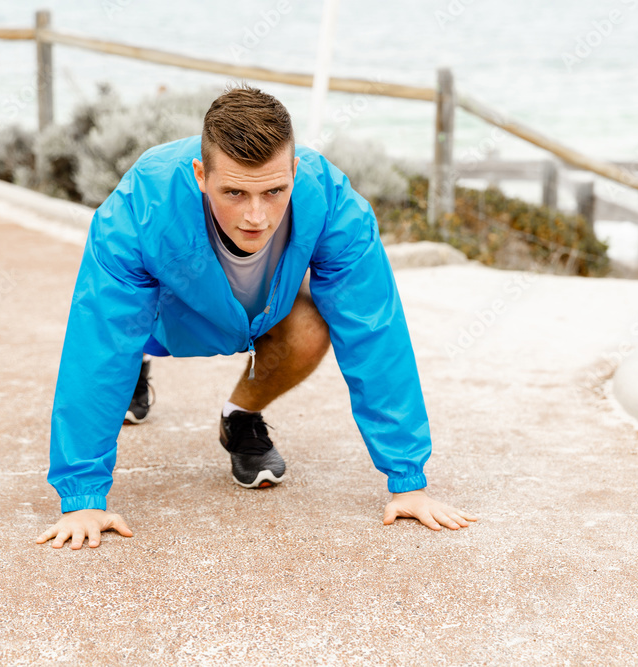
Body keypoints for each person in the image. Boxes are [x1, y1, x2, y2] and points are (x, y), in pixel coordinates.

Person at [36, 85, 476, 549]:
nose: (256, 216)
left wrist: (408, 481)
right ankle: (138, 371)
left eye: (274, 191)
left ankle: (240, 417)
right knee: (120, 349)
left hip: (263, 316)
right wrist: (83, 498)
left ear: (295, 172)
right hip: (162, 319)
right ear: (201, 175)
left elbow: (373, 330)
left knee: (314, 323)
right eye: (234, 192)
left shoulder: (331, 200)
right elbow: (98, 342)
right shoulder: (139, 207)